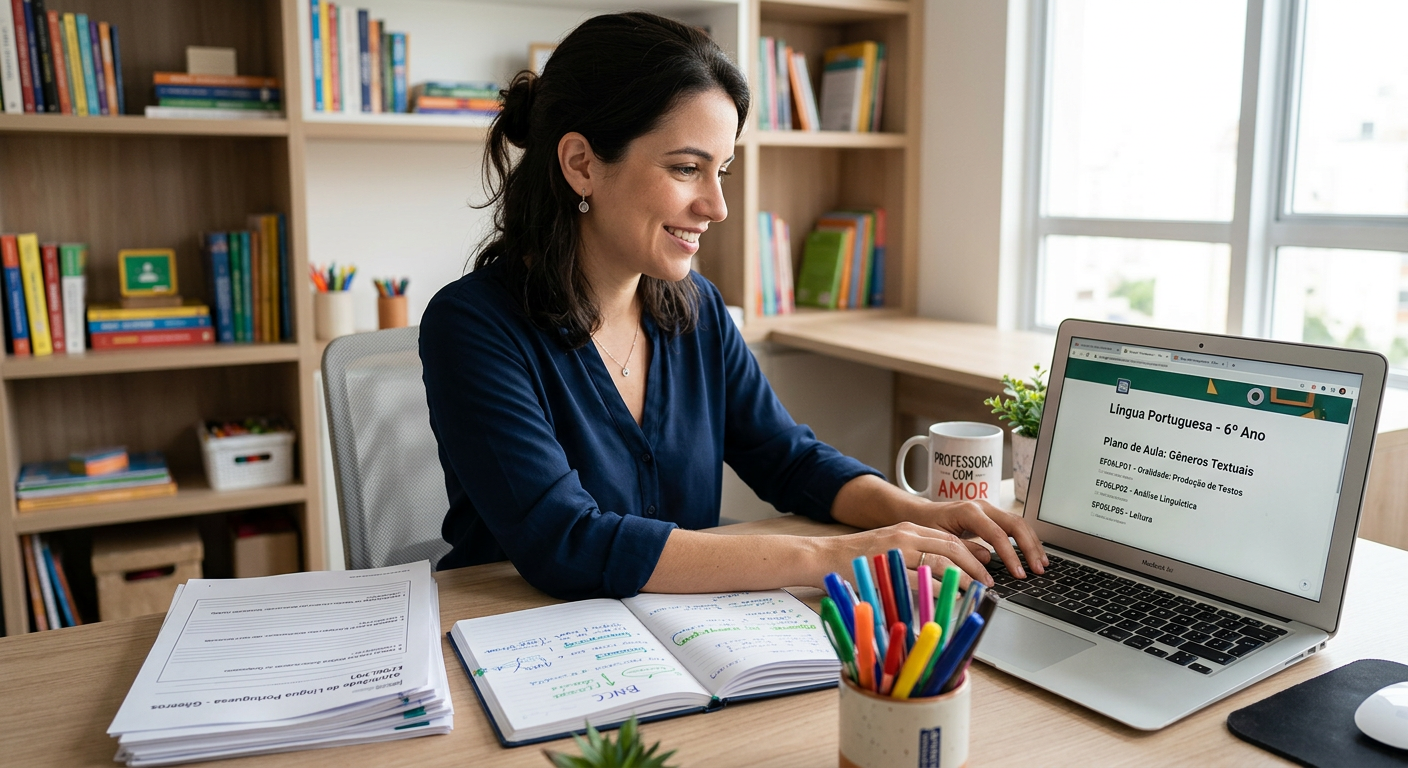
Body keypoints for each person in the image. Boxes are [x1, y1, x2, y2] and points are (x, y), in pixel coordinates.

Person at [420, 11, 1046, 601]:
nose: (717, 207)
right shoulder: (473, 326)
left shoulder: (697, 309)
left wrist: (919, 513)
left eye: (723, 171)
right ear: (582, 164)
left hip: (686, 639)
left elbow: (789, 460)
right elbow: (565, 541)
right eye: (688, 168)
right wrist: (832, 557)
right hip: (518, 639)